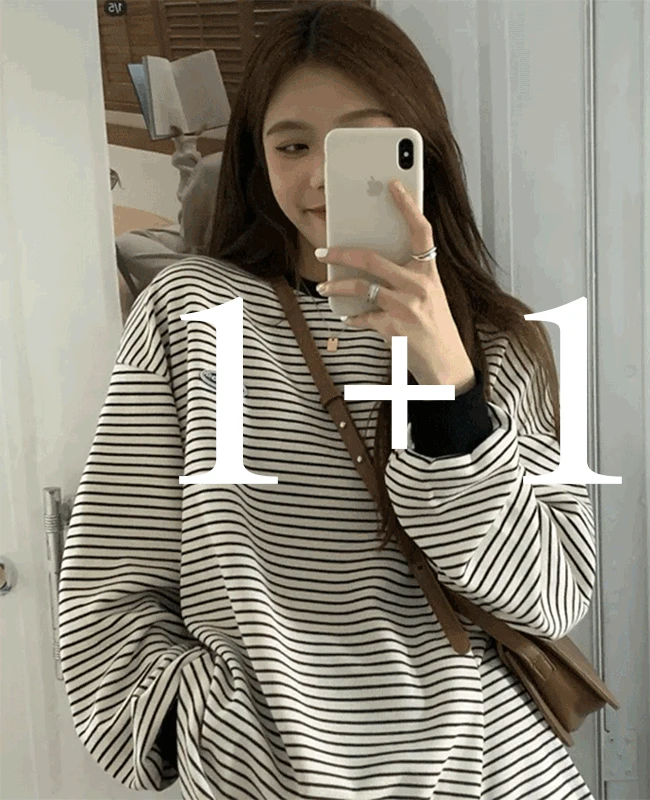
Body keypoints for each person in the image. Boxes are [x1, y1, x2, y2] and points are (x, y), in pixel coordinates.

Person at [58, 3, 597, 798]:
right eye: (292, 145)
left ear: (418, 147)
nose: (317, 175)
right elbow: (110, 582)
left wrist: (447, 383)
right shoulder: (189, 313)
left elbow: (553, 593)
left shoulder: (498, 338)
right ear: (257, 158)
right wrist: (213, 731)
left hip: (492, 774)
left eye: (356, 143)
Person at [114, 129, 223, 318]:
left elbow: (190, 226)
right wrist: (185, 146)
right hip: (203, 247)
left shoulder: (216, 169)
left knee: (125, 245)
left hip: (216, 262)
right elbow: (192, 207)